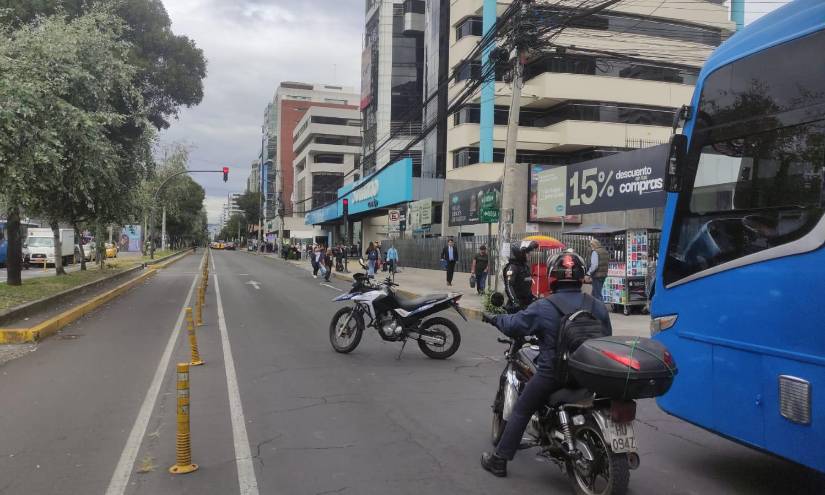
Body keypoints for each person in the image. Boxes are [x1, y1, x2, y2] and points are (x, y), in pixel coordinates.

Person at [480, 252, 613, 477]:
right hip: (590, 374)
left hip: (554, 375)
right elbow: (606, 336)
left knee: (522, 409)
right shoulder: (597, 306)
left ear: (553, 276)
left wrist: (494, 318)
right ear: (581, 275)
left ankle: (499, 460)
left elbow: (515, 325)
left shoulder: (544, 307)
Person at [503, 240, 538, 312]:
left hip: (527, 304)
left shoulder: (525, 266)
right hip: (517, 306)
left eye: (530, 252)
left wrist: (533, 297)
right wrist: (515, 302)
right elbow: (509, 286)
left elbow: (526, 285)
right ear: (520, 253)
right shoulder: (512, 267)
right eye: (527, 252)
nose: (530, 254)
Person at [585, 238, 609, 303]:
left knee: (597, 294)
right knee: (594, 293)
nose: (591, 247)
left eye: (591, 245)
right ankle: (592, 308)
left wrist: (588, 273)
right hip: (603, 275)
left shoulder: (595, 252)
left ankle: (601, 309)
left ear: (594, 245)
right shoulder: (604, 251)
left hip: (597, 275)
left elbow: (594, 265)